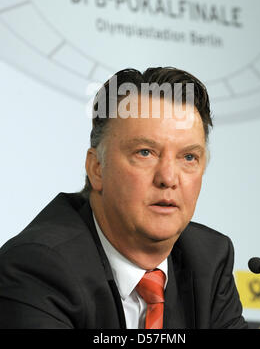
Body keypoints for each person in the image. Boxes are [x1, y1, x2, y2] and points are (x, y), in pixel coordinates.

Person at [0, 67, 247, 329]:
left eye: (188, 157)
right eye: (145, 152)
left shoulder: (208, 259)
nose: (168, 178)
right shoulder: (37, 267)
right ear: (97, 168)